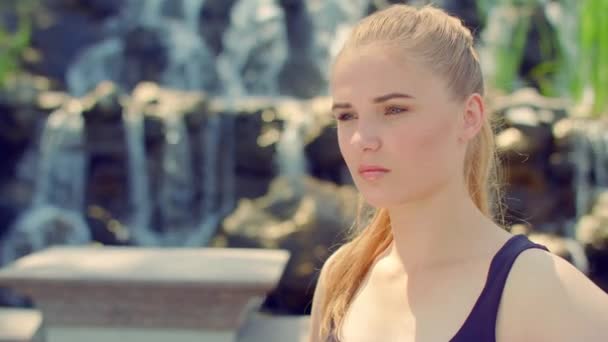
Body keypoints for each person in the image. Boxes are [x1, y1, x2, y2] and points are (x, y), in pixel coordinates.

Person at [309, 4, 608, 342]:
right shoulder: (343, 277)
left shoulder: (535, 289)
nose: (363, 139)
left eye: (394, 109)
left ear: (469, 116)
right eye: (347, 116)